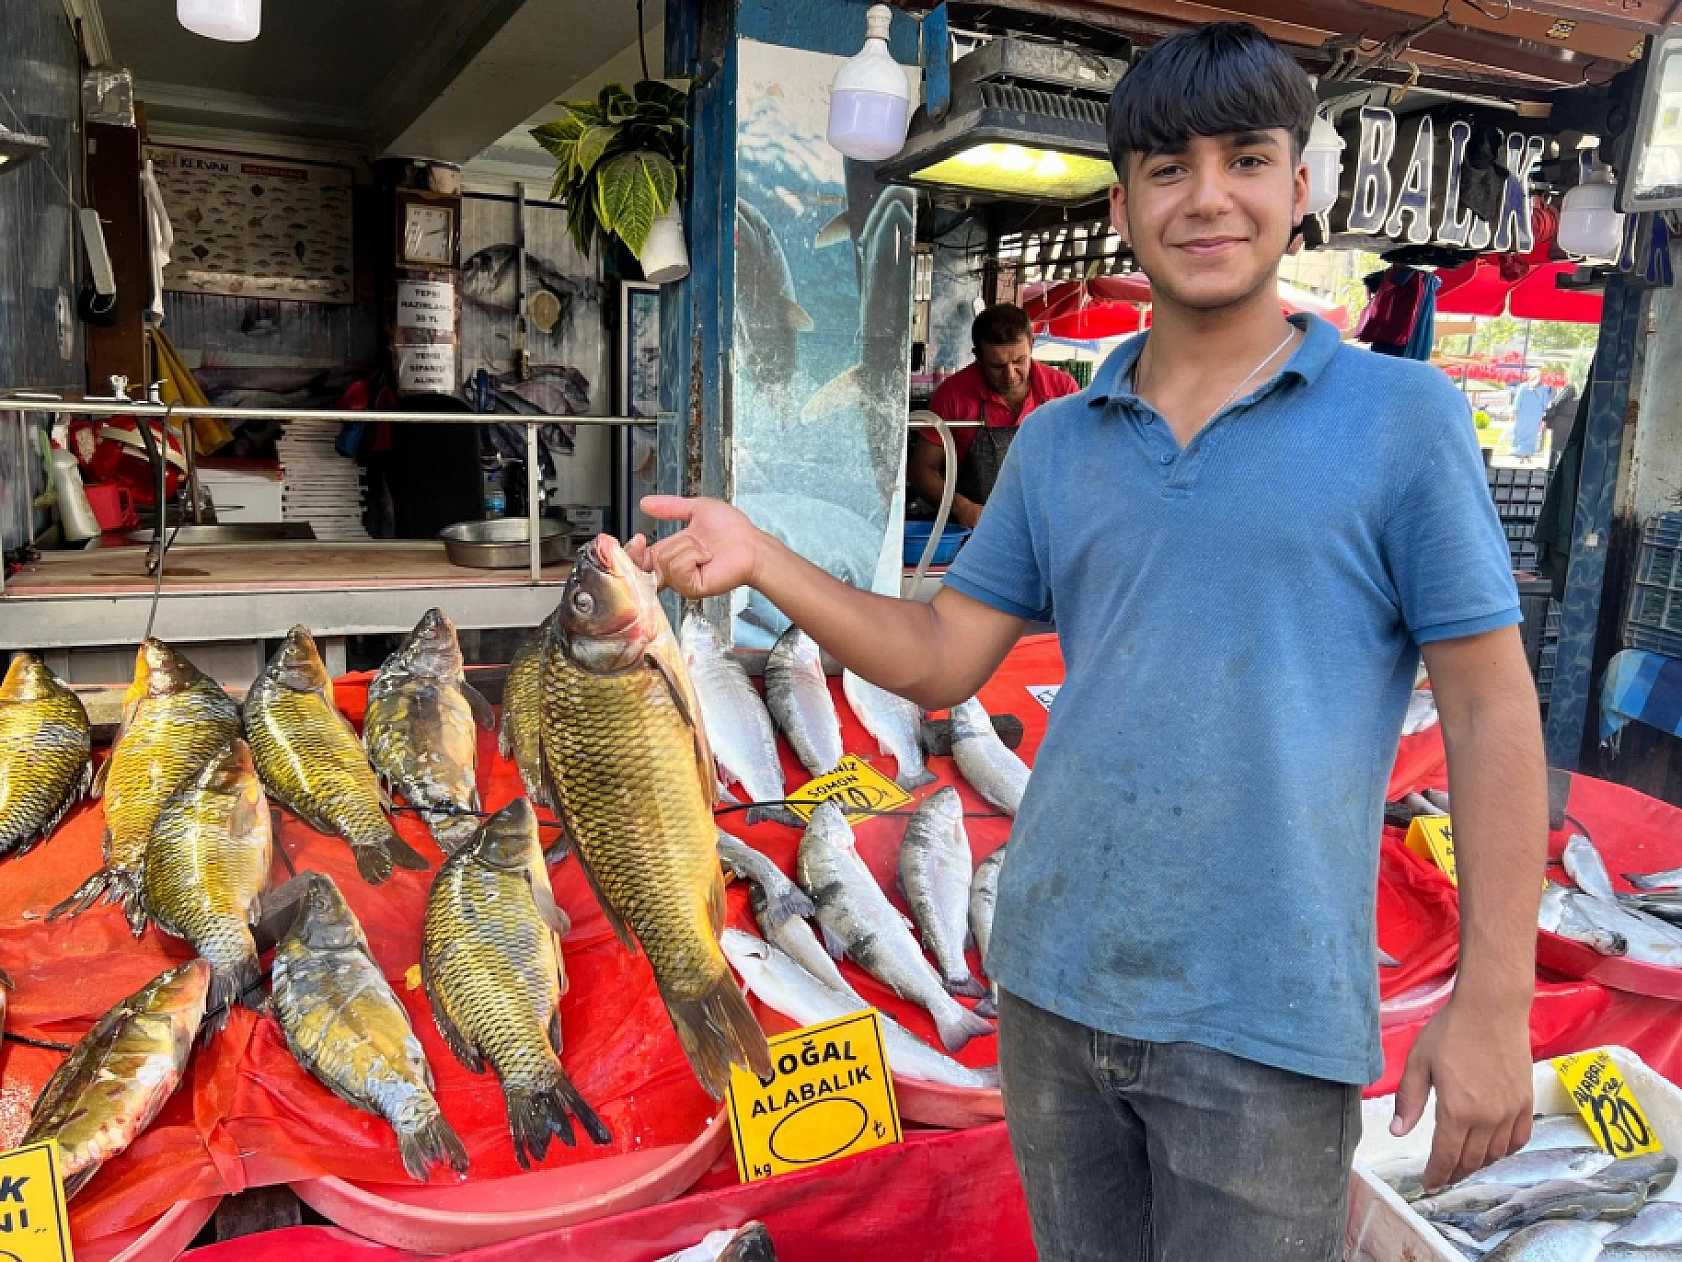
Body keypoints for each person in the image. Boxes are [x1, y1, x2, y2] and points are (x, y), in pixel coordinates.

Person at [630, 22, 1545, 1261]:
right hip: (1051, 989)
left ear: (1298, 186)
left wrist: (1495, 998)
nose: (1206, 196)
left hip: (1265, 1021)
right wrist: (765, 556)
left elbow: (1490, 707)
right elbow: (942, 653)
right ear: (1121, 203)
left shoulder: (1402, 419)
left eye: (1244, 158)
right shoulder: (1062, 441)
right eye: (1168, 168)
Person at [908, 304, 1079, 528]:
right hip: (975, 530)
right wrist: (961, 507)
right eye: (997, 365)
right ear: (978, 356)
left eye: (1019, 361)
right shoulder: (954, 394)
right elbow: (922, 470)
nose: (1010, 375)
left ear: (1032, 344)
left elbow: (1082, 461)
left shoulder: (1062, 389)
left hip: (1048, 525)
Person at [1511, 366, 1552, 459]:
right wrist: (1514, 411)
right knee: (1525, 432)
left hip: (1530, 414)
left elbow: (1544, 403)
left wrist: (1543, 417)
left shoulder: (1542, 388)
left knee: (1527, 432)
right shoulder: (1526, 387)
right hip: (1529, 414)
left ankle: (1523, 451)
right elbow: (1518, 400)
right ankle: (1522, 451)